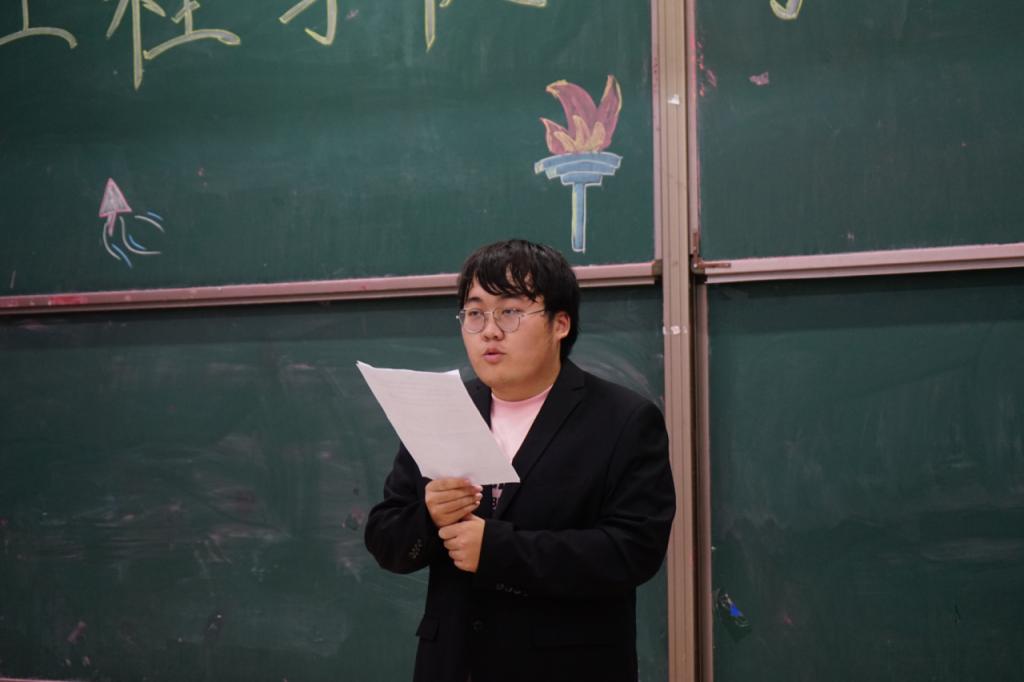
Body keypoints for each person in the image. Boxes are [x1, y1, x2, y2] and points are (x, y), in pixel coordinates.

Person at [364, 239, 675, 682]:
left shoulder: (623, 420)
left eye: (510, 311)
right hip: (451, 666)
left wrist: (498, 551)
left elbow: (633, 552)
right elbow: (385, 540)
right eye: (475, 313)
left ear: (560, 323)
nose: (490, 330)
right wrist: (429, 516)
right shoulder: (441, 408)